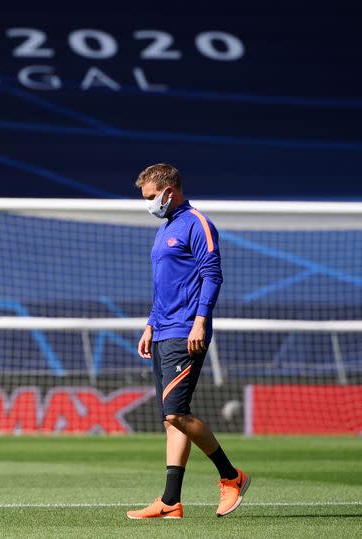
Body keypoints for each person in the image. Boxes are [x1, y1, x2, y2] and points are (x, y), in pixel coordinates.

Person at [126, 163, 250, 519]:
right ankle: (170, 502)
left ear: (170, 191)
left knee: (176, 412)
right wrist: (151, 323)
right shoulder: (165, 228)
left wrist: (200, 322)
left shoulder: (197, 224)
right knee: (170, 420)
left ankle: (232, 477)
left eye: (151, 197)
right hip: (163, 329)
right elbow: (165, 286)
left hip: (185, 330)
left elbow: (213, 275)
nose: (148, 204)